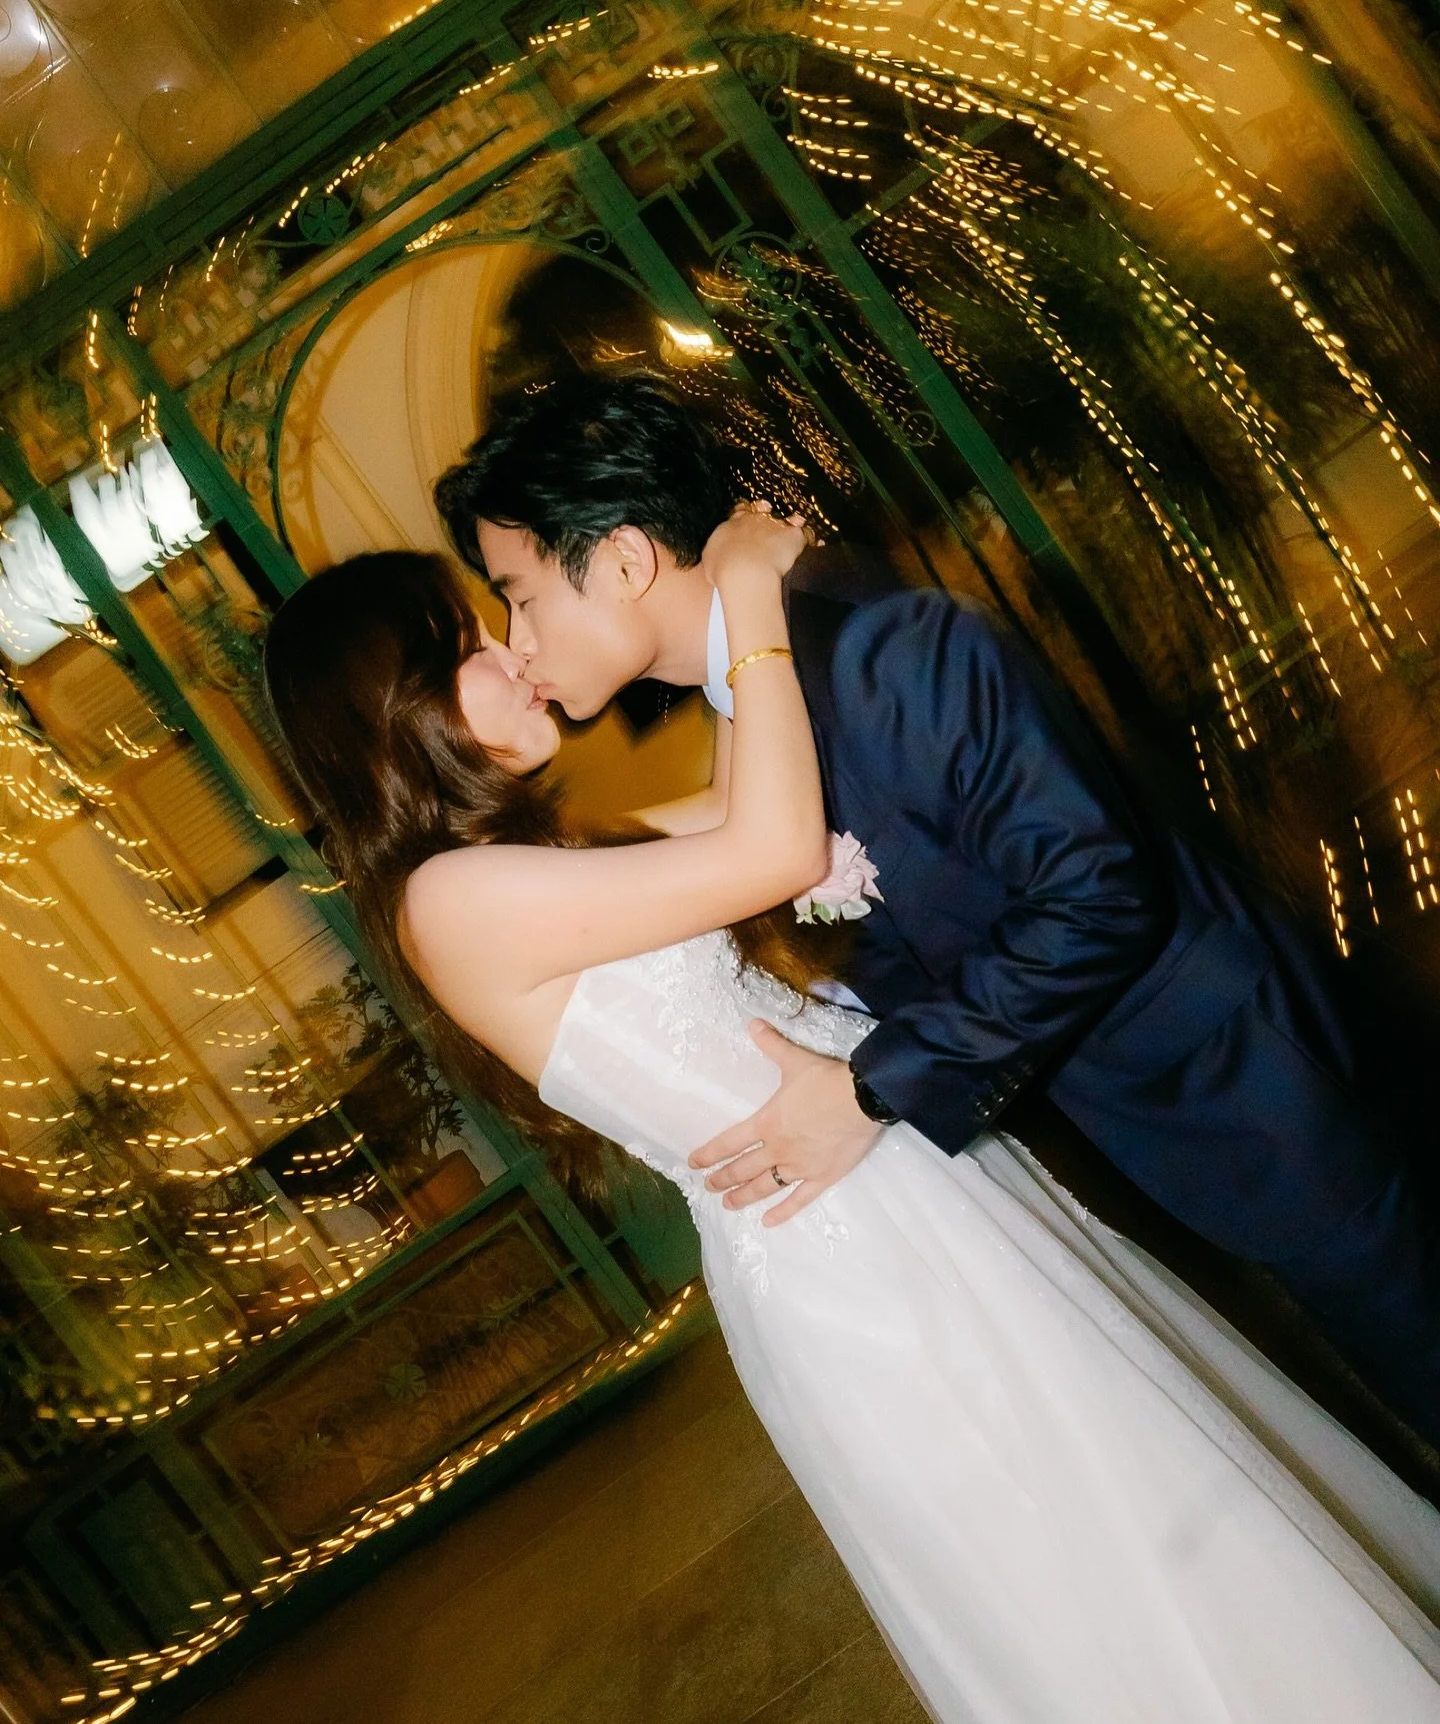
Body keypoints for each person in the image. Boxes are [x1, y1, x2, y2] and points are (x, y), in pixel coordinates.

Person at [264, 530, 1440, 1723]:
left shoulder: (523, 858)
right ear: (397, 708)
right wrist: (746, 598)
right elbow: (769, 845)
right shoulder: (448, 898)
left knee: (1153, 1484)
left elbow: (752, 795)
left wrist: (724, 631)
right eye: (472, 643)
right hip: (849, 1255)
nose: (517, 657)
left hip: (896, 1187)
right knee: (1107, 1538)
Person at [432, 373, 1440, 1446]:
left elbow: (1097, 892)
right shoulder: (759, 696)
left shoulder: (879, 650)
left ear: (625, 560)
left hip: (1236, 1076)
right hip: (1135, 1104)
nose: (518, 638)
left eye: (520, 594)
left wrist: (871, 1091)